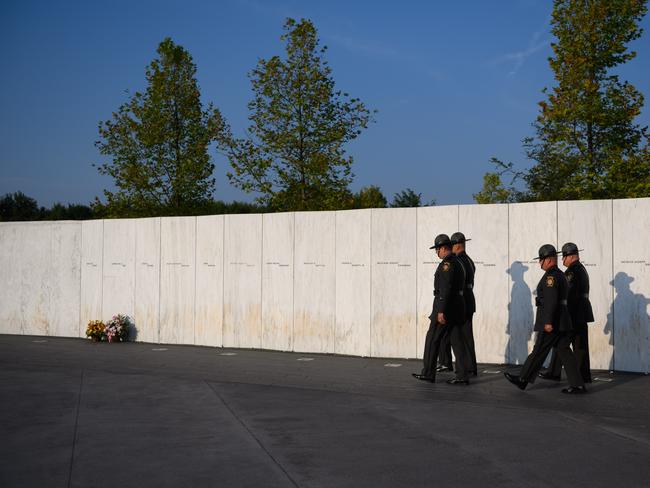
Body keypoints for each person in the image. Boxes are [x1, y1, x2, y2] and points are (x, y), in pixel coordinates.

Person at [504, 244, 586, 394]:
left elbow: (551, 300)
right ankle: (578, 384)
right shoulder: (560, 274)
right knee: (564, 351)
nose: (539, 263)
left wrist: (548, 321)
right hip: (562, 321)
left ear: (548, 260)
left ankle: (523, 379)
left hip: (553, 322)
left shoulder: (550, 276)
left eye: (541, 259)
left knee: (539, 350)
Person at [413, 234, 470, 385]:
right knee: (457, 341)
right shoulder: (458, 261)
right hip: (458, 307)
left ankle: (428, 373)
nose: (436, 252)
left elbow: (445, 288)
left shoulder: (447, 264)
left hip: (446, 308)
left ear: (443, 248)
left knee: (432, 339)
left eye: (437, 249)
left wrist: (440, 311)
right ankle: (463, 375)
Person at [539, 242, 594, 383]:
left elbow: (568, 294)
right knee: (578, 345)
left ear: (570, 256)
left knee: (563, 343)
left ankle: (565, 375)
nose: (562, 260)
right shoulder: (581, 269)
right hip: (582, 311)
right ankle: (580, 375)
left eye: (564, 257)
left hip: (574, 312)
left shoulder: (571, 271)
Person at [451, 232, 477, 376]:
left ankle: (467, 368)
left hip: (463, 301)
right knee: (467, 336)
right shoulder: (469, 260)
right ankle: (471, 367)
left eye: (452, 245)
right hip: (469, 299)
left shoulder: (459, 260)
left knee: (461, 336)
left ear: (457, 245)